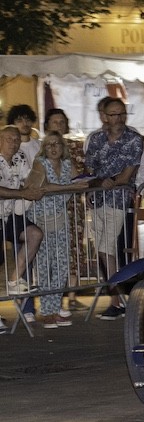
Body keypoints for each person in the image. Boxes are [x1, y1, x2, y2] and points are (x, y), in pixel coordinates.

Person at [83, 97, 144, 319]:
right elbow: (89, 169)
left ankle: (117, 299)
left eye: (121, 114)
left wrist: (109, 180)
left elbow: (128, 174)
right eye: (113, 114)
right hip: (97, 199)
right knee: (102, 247)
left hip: (118, 199)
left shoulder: (134, 139)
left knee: (105, 248)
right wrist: (96, 184)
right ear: (104, 116)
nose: (118, 118)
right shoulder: (97, 139)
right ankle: (117, 299)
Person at [25, 133, 88, 328]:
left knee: (61, 265)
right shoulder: (40, 162)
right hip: (42, 219)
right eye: (49, 144)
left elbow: (81, 181)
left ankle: (54, 307)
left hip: (60, 218)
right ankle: (47, 312)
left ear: (63, 147)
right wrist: (68, 186)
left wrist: (79, 183)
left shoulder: (68, 164)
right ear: (44, 147)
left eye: (57, 144)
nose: (53, 148)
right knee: (45, 265)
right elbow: (42, 187)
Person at [0, 124, 44, 333]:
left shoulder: (20, 159)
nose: (15, 142)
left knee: (35, 234)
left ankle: (14, 280)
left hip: (9, 214)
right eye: (10, 139)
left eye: (17, 139)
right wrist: (23, 194)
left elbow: (29, 181)